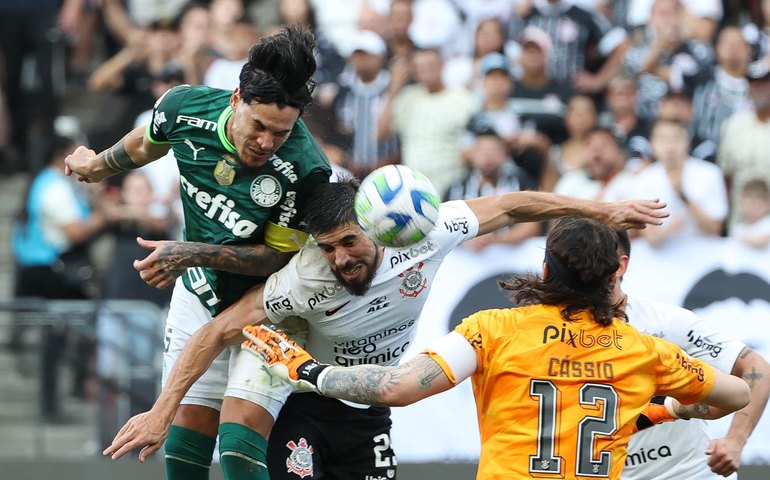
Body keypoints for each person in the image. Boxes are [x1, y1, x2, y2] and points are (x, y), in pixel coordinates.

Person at [103, 179, 668, 479]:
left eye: (351, 243)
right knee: (236, 438)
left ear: (378, 230)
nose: (342, 259)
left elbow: (517, 205)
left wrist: (604, 210)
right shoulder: (302, 279)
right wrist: (161, 408)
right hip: (306, 399)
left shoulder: (424, 229)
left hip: (370, 408)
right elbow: (218, 331)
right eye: (328, 249)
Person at [244, 216, 751, 480]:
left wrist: (309, 370)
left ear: (546, 270)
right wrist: (667, 408)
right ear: (614, 275)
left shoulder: (495, 328)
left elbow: (397, 387)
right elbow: (738, 394)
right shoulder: (646, 350)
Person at [65, 26, 331, 480]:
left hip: (267, 306)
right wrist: (97, 165)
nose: (267, 142)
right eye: (260, 126)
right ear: (236, 99)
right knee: (184, 442)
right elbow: (145, 144)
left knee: (237, 442)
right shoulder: (184, 107)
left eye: (281, 133)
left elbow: (273, 259)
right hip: (199, 295)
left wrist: (188, 253)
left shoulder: (306, 169)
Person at [613, 230, 770, 479]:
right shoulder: (551, 333)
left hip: (690, 473)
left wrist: (734, 440)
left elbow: (756, 367)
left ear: (620, 265)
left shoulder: (664, 321)